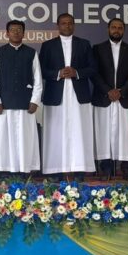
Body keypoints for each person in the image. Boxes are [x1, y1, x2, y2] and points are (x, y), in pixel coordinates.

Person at [39, 13, 95, 179]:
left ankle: (79, 169)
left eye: (70, 23)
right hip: (56, 95)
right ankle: (55, 170)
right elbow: (41, 70)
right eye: (63, 23)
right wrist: (58, 73)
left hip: (79, 95)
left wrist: (76, 72)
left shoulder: (84, 44)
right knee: (55, 132)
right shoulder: (48, 45)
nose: (67, 26)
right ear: (58, 26)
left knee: (80, 131)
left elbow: (93, 68)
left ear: (74, 25)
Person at [0, 20, 43, 174]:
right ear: (7, 33)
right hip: (4, 104)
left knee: (25, 139)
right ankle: (4, 171)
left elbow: (38, 79)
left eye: (19, 30)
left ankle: (24, 170)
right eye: (12, 30)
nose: (16, 32)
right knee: (4, 139)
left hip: (26, 104)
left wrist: (35, 101)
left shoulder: (31, 53)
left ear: (24, 33)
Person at [91, 18, 128, 180]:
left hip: (126, 99)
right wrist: (108, 91)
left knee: (127, 135)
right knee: (104, 134)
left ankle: (127, 169)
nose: (116, 30)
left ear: (124, 30)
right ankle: (106, 169)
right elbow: (94, 73)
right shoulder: (97, 49)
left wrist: (121, 91)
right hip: (103, 98)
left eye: (120, 28)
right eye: (114, 27)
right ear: (108, 29)